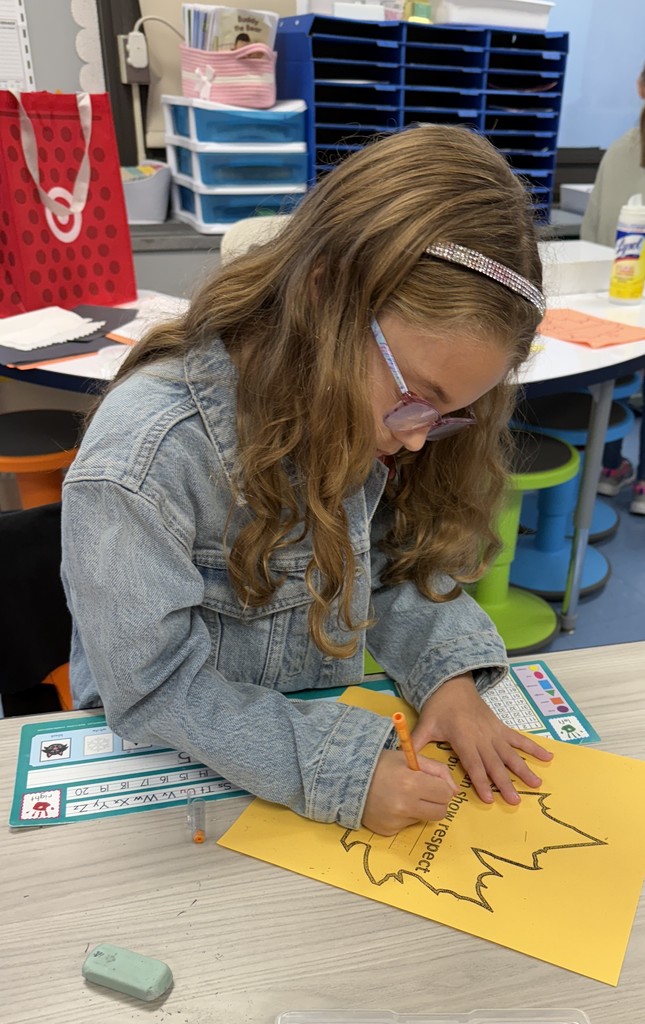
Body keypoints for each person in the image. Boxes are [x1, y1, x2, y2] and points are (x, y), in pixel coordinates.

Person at [61, 125, 552, 838]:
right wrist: (334, 767)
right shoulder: (144, 459)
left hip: (298, 760)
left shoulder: (351, 409)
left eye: (446, 415)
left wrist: (447, 673)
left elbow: (379, 567)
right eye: (416, 395)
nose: (416, 436)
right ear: (324, 295)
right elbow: (153, 690)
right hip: (167, 787)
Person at [581, 61, 645, 514]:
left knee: (611, 386)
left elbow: (592, 232)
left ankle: (606, 467)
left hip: (614, 299)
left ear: (640, 86)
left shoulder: (619, 150)